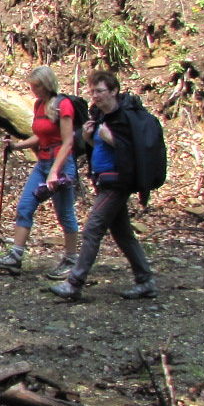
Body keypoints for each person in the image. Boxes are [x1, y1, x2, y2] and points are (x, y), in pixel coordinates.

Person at [50, 71, 157, 302]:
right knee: (123, 234)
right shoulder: (100, 116)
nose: (95, 96)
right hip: (103, 180)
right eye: (92, 91)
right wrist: (89, 139)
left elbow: (133, 151)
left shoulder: (124, 117)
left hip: (118, 183)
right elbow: (99, 148)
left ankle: (74, 283)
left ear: (114, 91)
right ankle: (146, 281)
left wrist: (112, 139)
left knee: (92, 229)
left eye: (99, 91)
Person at [0, 65, 80, 278]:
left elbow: (68, 142)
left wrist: (54, 172)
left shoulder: (62, 105)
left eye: (37, 86)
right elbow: (41, 136)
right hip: (43, 162)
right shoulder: (39, 105)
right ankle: (16, 256)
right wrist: (16, 145)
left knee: (65, 213)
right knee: (25, 206)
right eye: (32, 86)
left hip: (61, 165)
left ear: (47, 84)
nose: (34, 91)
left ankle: (72, 260)